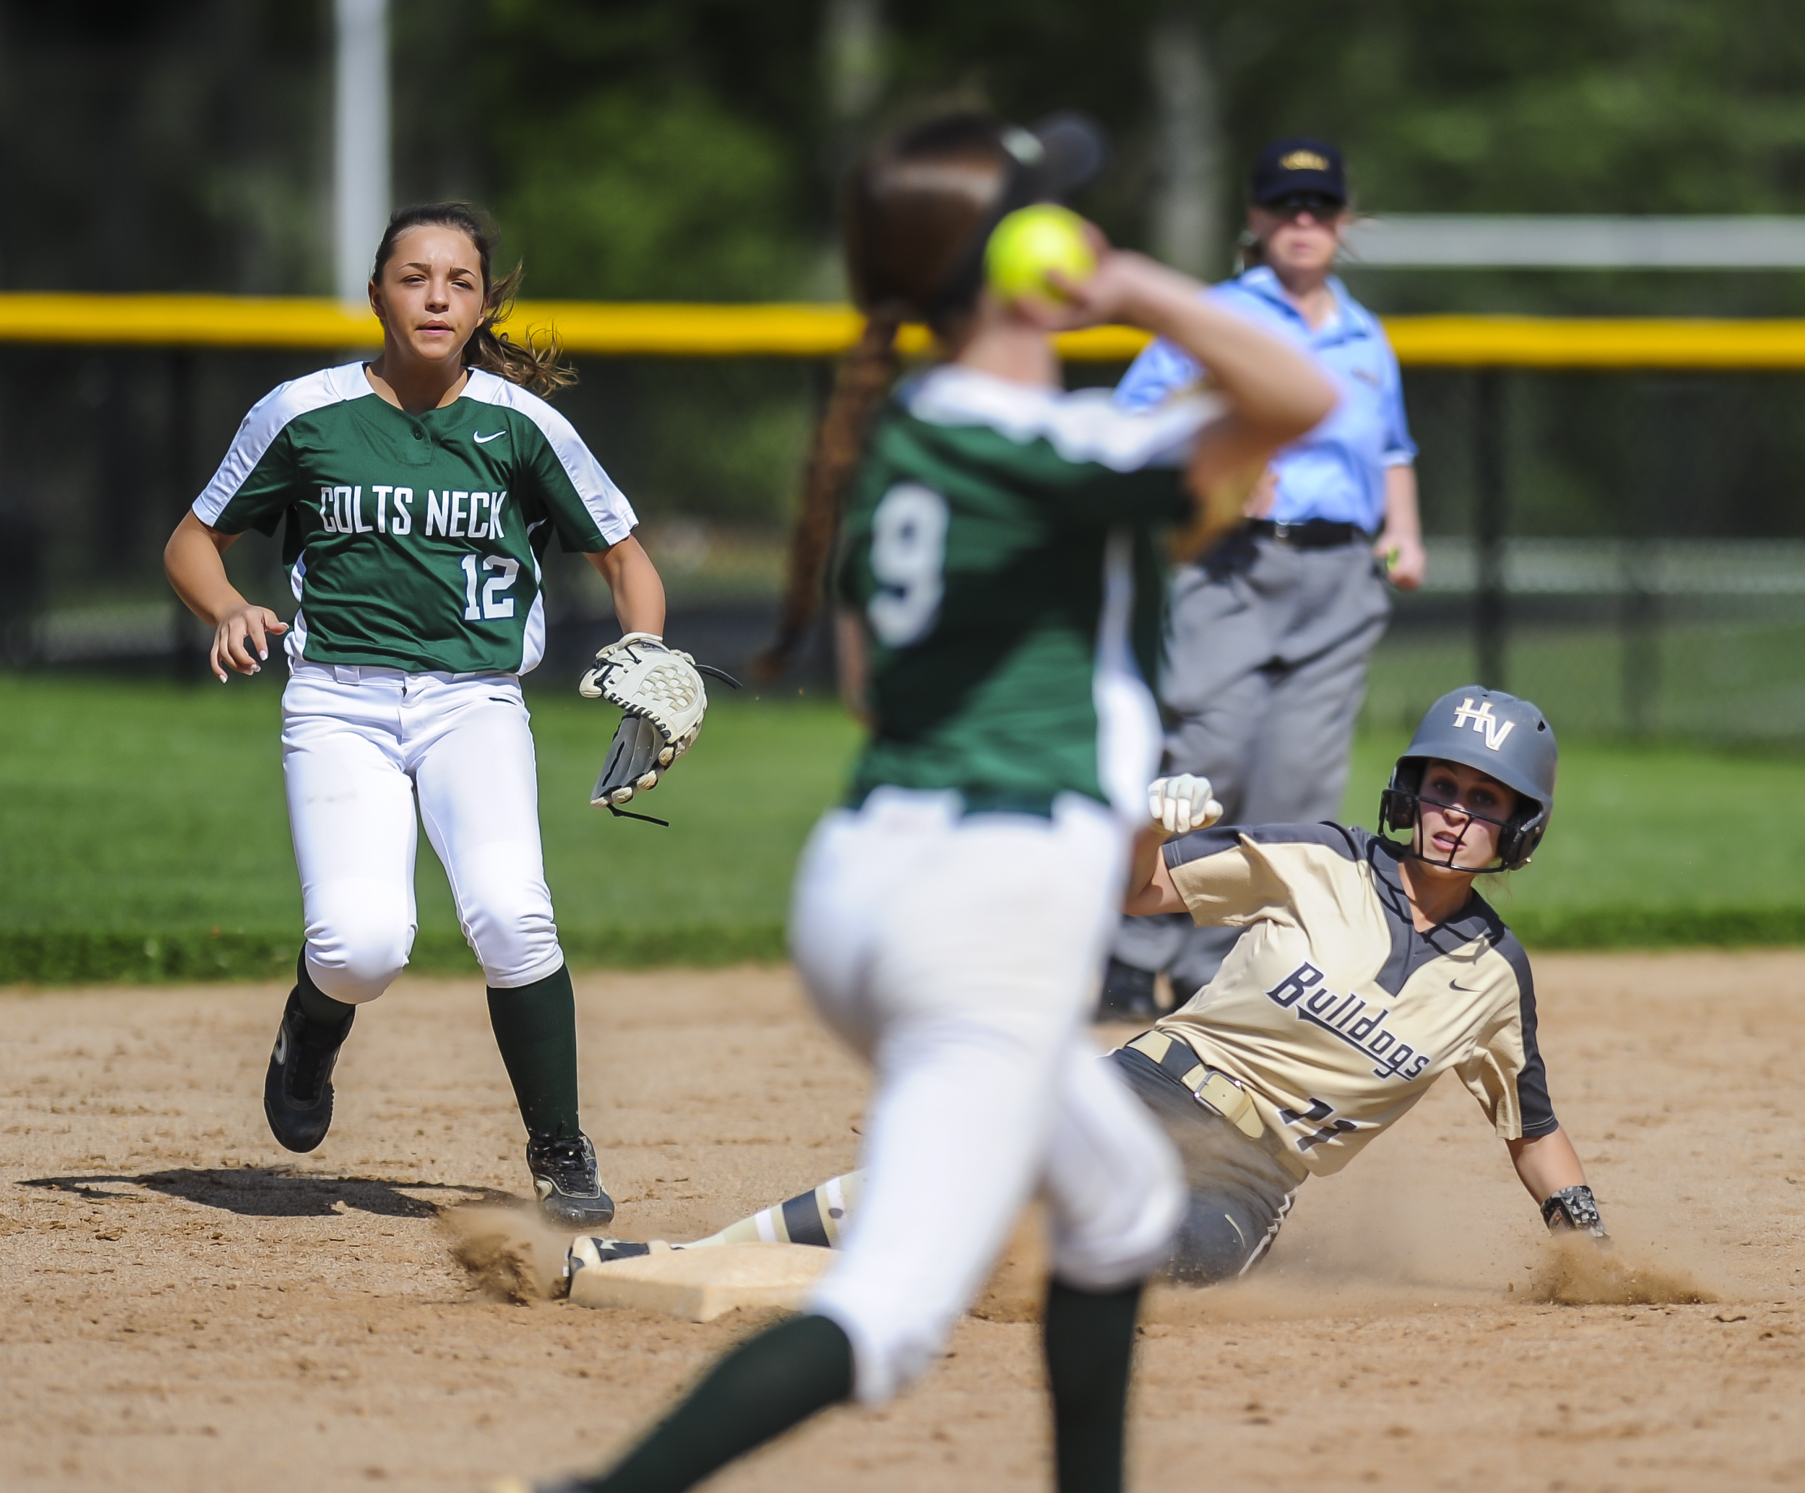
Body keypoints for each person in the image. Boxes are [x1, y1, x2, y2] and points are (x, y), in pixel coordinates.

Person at [508, 112, 1332, 1493]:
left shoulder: (907, 438)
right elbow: (1297, 397)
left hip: (877, 876)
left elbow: (877, 692)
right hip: (983, 909)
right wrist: (1128, 290)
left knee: (1122, 1200)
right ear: (1018, 264)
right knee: (885, 1315)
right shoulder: (1050, 448)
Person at [660, 687, 1608, 1285]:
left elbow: (1530, 1125)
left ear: (1518, 827)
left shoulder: (1492, 977)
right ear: (1409, 792)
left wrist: (1587, 1243)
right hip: (1153, 1084)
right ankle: (699, 1255)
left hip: (1253, 1179)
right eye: (1443, 786)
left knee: (1152, 1254)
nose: (1454, 816)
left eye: (1484, 800)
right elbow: (1137, 890)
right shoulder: (1319, 859)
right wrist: (1148, 826)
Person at [162, 202, 674, 1228]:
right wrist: (225, 607)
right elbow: (190, 539)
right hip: (337, 701)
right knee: (361, 947)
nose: (435, 294)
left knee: (510, 910)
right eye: (413, 275)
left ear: (482, 304)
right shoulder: (303, 412)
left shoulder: (521, 426)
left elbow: (623, 557)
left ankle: (558, 1146)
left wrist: (648, 656)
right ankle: (313, 1023)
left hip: (473, 700)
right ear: (376, 295)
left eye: (458, 280)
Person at [1103, 135, 1427, 1017]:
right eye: (1283, 204)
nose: (1301, 220)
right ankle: (1130, 951)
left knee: (1295, 781)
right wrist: (1214, 470)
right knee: (1206, 752)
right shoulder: (1221, 316)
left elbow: (1391, 448)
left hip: (1339, 575)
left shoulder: (1364, 334)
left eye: (1318, 207)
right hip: (1231, 566)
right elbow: (1135, 418)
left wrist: (1403, 531)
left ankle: (1223, 967)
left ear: (1341, 223)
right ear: (1254, 220)